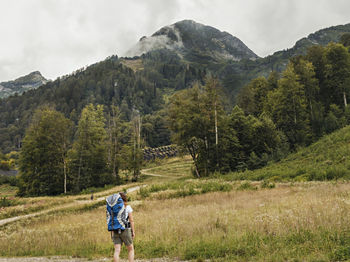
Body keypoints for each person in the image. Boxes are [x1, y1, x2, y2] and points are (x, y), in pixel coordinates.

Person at [112, 192, 135, 262]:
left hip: (115, 230)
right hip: (125, 229)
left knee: (117, 250)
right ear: (125, 199)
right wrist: (133, 231)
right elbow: (131, 220)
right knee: (130, 249)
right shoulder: (127, 207)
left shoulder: (113, 208)